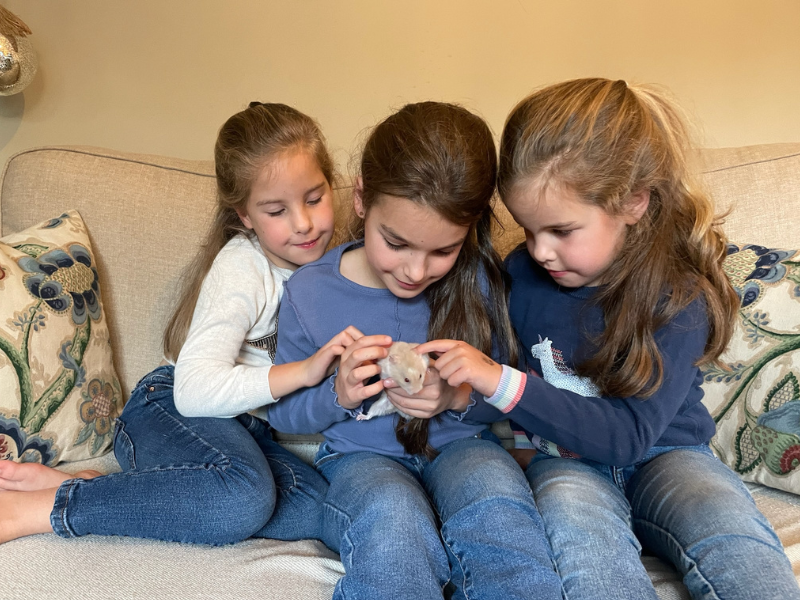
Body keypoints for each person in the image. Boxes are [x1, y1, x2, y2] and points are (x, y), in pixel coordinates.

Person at [419, 78, 800, 599]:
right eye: (528, 230)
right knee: (583, 543)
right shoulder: (522, 277)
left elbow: (626, 438)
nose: (540, 251)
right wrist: (456, 394)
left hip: (669, 455)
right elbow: (501, 393)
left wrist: (496, 380)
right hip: (567, 467)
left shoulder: (678, 294)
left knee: (733, 536)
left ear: (633, 203)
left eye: (561, 231)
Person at [0, 102, 357, 546]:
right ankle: (39, 509)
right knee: (244, 496)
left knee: (332, 511)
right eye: (275, 210)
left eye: (314, 198)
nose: (303, 223)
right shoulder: (243, 267)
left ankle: (119, 490)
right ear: (244, 216)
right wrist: (303, 373)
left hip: (244, 435)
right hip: (169, 409)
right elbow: (194, 392)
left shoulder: (339, 265)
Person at [266, 101, 563, 600]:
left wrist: (455, 398)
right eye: (396, 242)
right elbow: (284, 414)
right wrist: (336, 393)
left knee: (501, 513)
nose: (415, 271)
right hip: (362, 461)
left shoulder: (481, 284)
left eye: (442, 250)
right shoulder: (311, 292)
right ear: (362, 198)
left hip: (463, 448)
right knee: (392, 526)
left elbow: (511, 392)